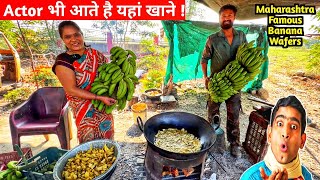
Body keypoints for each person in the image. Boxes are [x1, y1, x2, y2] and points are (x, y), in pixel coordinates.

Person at [52, 21, 116, 143]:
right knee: (89, 143)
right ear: (63, 40)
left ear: (82, 34)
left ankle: (111, 161)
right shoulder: (63, 61)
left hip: (103, 107)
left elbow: (108, 74)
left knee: (107, 137)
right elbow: (71, 89)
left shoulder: (95, 54)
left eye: (76, 34)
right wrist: (98, 97)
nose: (74, 39)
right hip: (84, 111)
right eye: (68, 36)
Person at [201, 4, 247, 157]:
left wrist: (244, 76)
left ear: (234, 17)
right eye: (223, 16)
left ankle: (234, 144)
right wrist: (205, 77)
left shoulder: (241, 36)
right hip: (216, 83)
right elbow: (204, 59)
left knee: (234, 115)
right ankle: (210, 142)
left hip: (234, 84)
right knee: (212, 114)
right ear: (219, 18)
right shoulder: (212, 39)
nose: (226, 18)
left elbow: (246, 57)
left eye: (229, 15)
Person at [240, 95, 312, 180]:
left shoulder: (306, 176)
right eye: (280, 124)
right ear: (270, 134)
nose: (285, 133)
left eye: (293, 127)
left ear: (302, 141)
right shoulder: (250, 177)